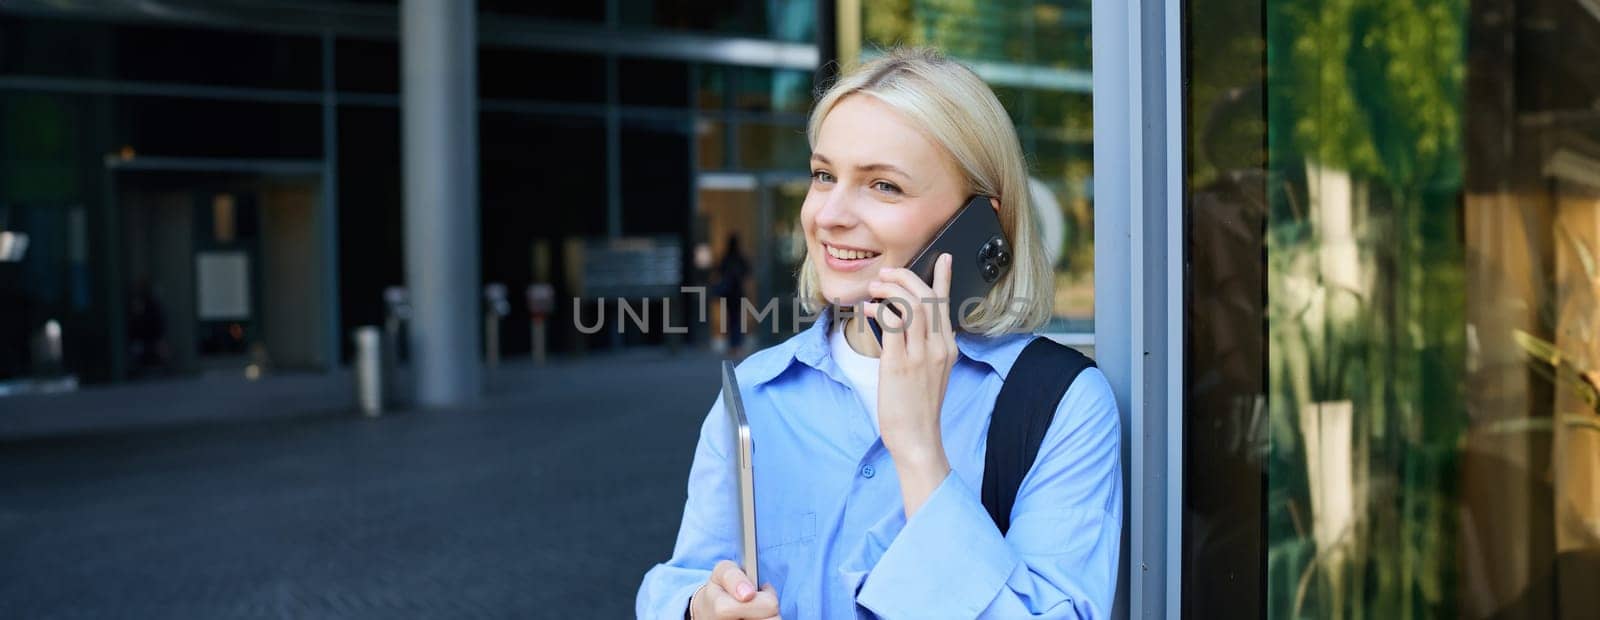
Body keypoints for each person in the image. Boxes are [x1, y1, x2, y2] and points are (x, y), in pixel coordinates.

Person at [637, 48, 1122, 619]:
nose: (830, 214)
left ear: (978, 223)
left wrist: (919, 454)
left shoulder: (1059, 406)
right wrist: (700, 608)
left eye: (884, 186)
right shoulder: (757, 391)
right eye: (824, 175)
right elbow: (684, 577)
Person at [715, 233, 751, 356]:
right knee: (737, 320)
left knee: (731, 319)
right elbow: (747, 271)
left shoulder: (726, 258)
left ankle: (733, 345)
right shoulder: (740, 258)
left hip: (729, 294)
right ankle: (737, 345)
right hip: (738, 293)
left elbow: (719, 271)